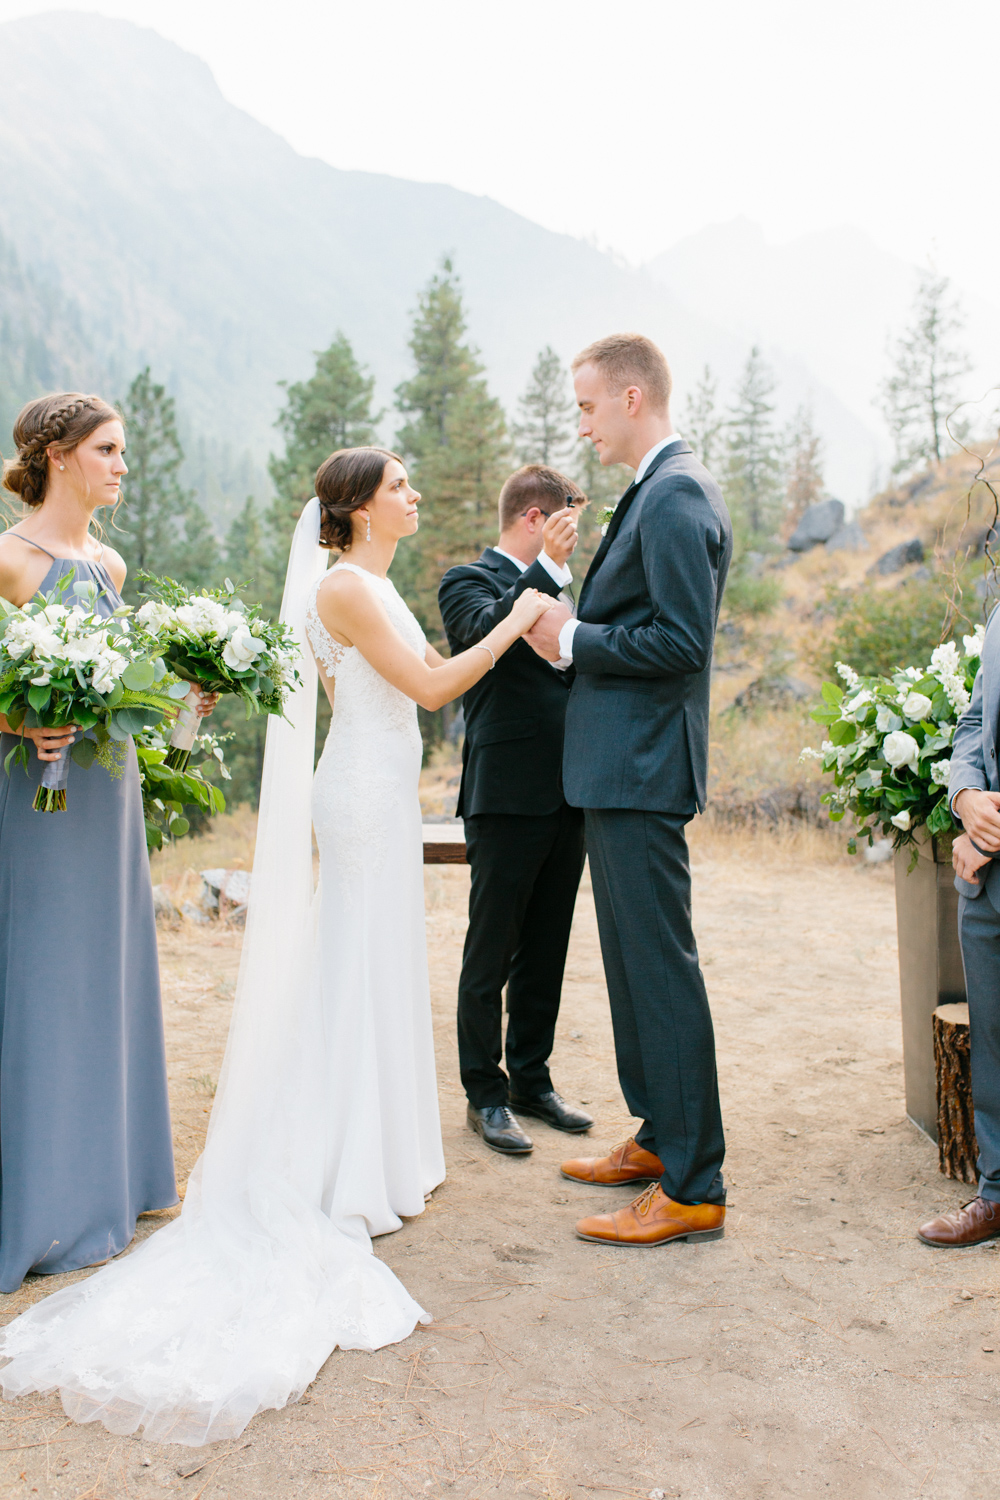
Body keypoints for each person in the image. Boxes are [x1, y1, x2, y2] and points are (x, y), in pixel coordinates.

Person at [0, 446, 555, 1446]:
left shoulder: (369, 578)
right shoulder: (346, 586)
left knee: (379, 969)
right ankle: (340, 1163)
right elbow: (431, 688)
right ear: (357, 505)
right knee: (351, 971)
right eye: (401, 483)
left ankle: (377, 1154)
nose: (416, 493)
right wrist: (518, 619)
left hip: (382, 792)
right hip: (358, 798)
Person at [525, 334, 733, 1247]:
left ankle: (692, 1187)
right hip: (618, 770)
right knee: (630, 972)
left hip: (645, 771)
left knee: (660, 975)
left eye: (587, 407)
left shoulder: (678, 493)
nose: (580, 425)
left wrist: (573, 641)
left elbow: (683, 644)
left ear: (633, 396)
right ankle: (657, 1141)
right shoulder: (652, 490)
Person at [0, 392, 209, 1293]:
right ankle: (39, 1198)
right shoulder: (8, 558)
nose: (124, 464)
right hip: (34, 802)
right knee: (43, 977)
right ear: (59, 456)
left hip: (107, 794)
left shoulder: (112, 567)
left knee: (104, 975)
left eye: (124, 449)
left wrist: (184, 706)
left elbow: (125, 692)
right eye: (109, 449)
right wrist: (14, 723)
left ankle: (112, 1183)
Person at [439, 465, 592, 1155]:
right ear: (535, 518)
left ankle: (531, 1078)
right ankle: (485, 1093)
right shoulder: (466, 581)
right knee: (491, 948)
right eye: (564, 523)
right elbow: (482, 635)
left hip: (570, 789)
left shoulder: (564, 587)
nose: (573, 538)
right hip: (505, 791)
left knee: (547, 947)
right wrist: (548, 568)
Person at [919, 609, 1000, 1247]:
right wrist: (966, 797)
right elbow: (976, 722)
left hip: (988, 853)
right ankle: (995, 1195)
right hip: (985, 879)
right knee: (993, 1040)